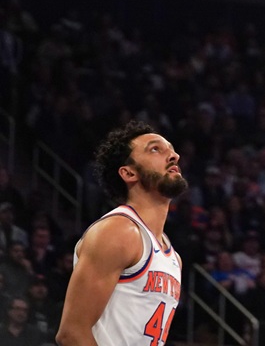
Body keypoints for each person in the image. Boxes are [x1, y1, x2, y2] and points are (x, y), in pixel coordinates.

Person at [57, 122, 187, 346]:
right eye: (155, 149)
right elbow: (72, 333)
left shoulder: (174, 258)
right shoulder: (118, 231)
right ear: (129, 173)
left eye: (171, 149)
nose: (173, 155)